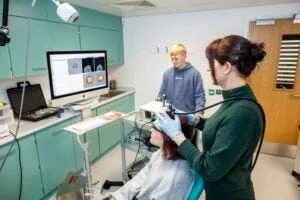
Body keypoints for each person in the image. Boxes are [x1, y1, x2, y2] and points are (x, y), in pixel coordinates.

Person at [156, 35, 266, 200]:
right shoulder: (234, 100)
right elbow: (222, 129)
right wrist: (197, 120)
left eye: (211, 64)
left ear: (227, 67)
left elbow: (209, 168)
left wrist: (177, 136)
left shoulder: (243, 112)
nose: (208, 69)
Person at [103, 119, 197, 200]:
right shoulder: (161, 153)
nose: (151, 130)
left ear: (168, 137)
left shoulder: (175, 177)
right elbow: (142, 176)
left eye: (155, 129)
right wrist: (118, 196)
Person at [157, 43, 206, 114]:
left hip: (188, 118)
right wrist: (156, 108)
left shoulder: (194, 74)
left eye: (176, 58)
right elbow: (161, 93)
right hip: (170, 116)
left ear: (184, 56)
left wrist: (198, 115)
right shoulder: (167, 73)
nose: (173, 61)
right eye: (172, 59)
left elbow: (200, 97)